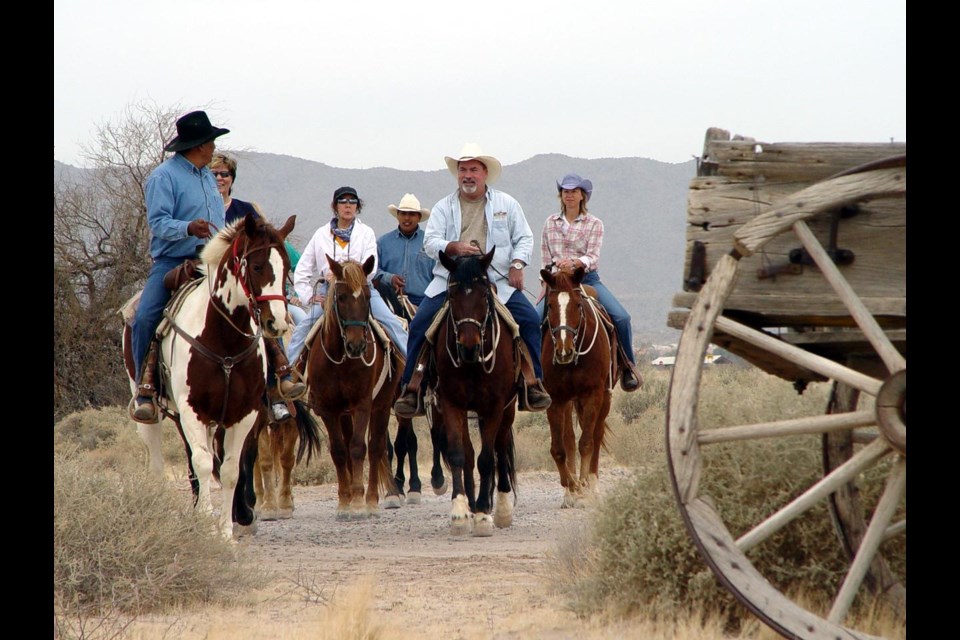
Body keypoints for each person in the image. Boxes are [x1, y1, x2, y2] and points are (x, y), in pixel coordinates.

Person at [393, 143, 551, 418]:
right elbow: (430, 242)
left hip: (496, 279)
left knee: (528, 321)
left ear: (485, 173)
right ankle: (412, 387)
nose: (468, 175)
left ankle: (532, 383)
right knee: (419, 325)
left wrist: (517, 263)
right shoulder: (444, 207)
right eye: (463, 170)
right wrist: (452, 247)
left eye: (473, 170)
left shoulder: (506, 204)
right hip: (451, 280)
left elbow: (524, 237)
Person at [130, 111, 229, 422]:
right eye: (211, 141)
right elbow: (158, 223)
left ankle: (275, 379)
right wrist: (188, 228)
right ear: (198, 145)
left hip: (212, 259)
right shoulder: (163, 177)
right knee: (145, 316)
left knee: (256, 303)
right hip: (174, 260)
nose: (214, 146)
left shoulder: (206, 176)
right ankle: (145, 388)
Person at [208, 152, 307, 420]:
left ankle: (280, 386)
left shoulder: (246, 210)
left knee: (269, 320)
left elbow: (265, 248)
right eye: (214, 173)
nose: (219, 178)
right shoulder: (199, 205)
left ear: (232, 179)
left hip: (243, 283)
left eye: (224, 174)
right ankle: (152, 383)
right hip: (205, 274)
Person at [537, 173, 641, 392]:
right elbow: (546, 257)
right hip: (555, 283)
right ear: (561, 195)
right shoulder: (549, 222)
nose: (570, 196)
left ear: (583, 196)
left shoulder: (594, 223)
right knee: (532, 319)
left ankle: (627, 367)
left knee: (622, 317)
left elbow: (593, 257)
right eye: (566, 192)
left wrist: (575, 263)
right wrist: (544, 283)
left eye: (574, 191)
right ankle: (532, 375)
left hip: (585, 279)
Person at [286, 186, 409, 365]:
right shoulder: (321, 234)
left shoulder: (366, 233)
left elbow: (371, 267)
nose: (348, 205)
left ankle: (411, 373)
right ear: (335, 206)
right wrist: (309, 296)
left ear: (357, 207)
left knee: (393, 324)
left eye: (352, 201)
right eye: (343, 201)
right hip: (331, 292)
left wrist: (352, 274)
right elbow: (302, 270)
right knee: (303, 328)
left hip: (362, 290)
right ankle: (289, 374)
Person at [376, 193, 435, 307]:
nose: (406, 218)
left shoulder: (430, 243)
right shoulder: (382, 243)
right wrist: (389, 278)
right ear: (397, 216)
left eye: (412, 214)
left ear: (419, 217)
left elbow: (438, 274)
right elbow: (373, 272)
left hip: (423, 302)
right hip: (389, 300)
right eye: (403, 213)